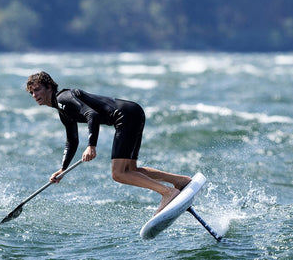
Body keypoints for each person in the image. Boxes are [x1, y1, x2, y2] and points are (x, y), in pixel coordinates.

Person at [25, 71, 191, 215]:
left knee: (118, 174)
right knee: (130, 170)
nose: (34, 95)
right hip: (133, 112)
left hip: (124, 116)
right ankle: (180, 181)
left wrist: (91, 145)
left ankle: (168, 193)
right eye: (31, 92)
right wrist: (63, 168)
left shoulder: (63, 98)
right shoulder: (63, 111)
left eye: (37, 89)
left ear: (49, 87)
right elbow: (72, 140)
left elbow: (92, 115)